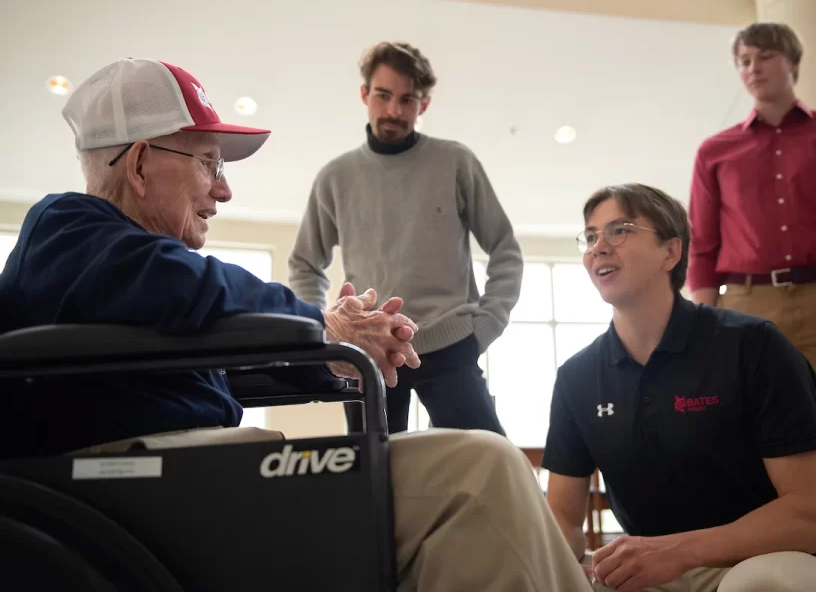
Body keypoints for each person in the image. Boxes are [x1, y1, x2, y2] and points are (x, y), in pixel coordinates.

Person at [0, 57, 592, 592]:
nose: (223, 189)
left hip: (195, 474)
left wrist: (324, 355)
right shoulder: (67, 225)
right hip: (149, 484)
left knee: (484, 480)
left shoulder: (129, 287)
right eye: (208, 163)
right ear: (137, 163)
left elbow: (198, 347)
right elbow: (187, 282)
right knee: (477, 472)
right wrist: (323, 326)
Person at [543, 183, 816, 592]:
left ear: (671, 251)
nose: (599, 246)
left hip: (759, 562)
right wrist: (561, 569)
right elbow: (562, 519)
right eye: (591, 236)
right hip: (644, 576)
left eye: (620, 230)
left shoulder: (753, 345)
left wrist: (679, 551)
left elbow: (815, 516)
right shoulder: (576, 377)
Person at [686, 22, 816, 592]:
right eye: (744, 59)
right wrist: (698, 334)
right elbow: (702, 249)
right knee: (752, 470)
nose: (753, 67)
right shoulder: (716, 151)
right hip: (746, 307)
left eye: (766, 56)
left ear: (793, 63)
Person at [288, 41, 522, 435]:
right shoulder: (335, 177)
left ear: (423, 105)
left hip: (453, 346)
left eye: (407, 99)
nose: (394, 111)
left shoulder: (455, 162)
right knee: (372, 480)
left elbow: (505, 250)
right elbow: (304, 265)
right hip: (369, 351)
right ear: (365, 94)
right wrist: (323, 334)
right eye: (383, 95)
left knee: (484, 463)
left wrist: (486, 326)